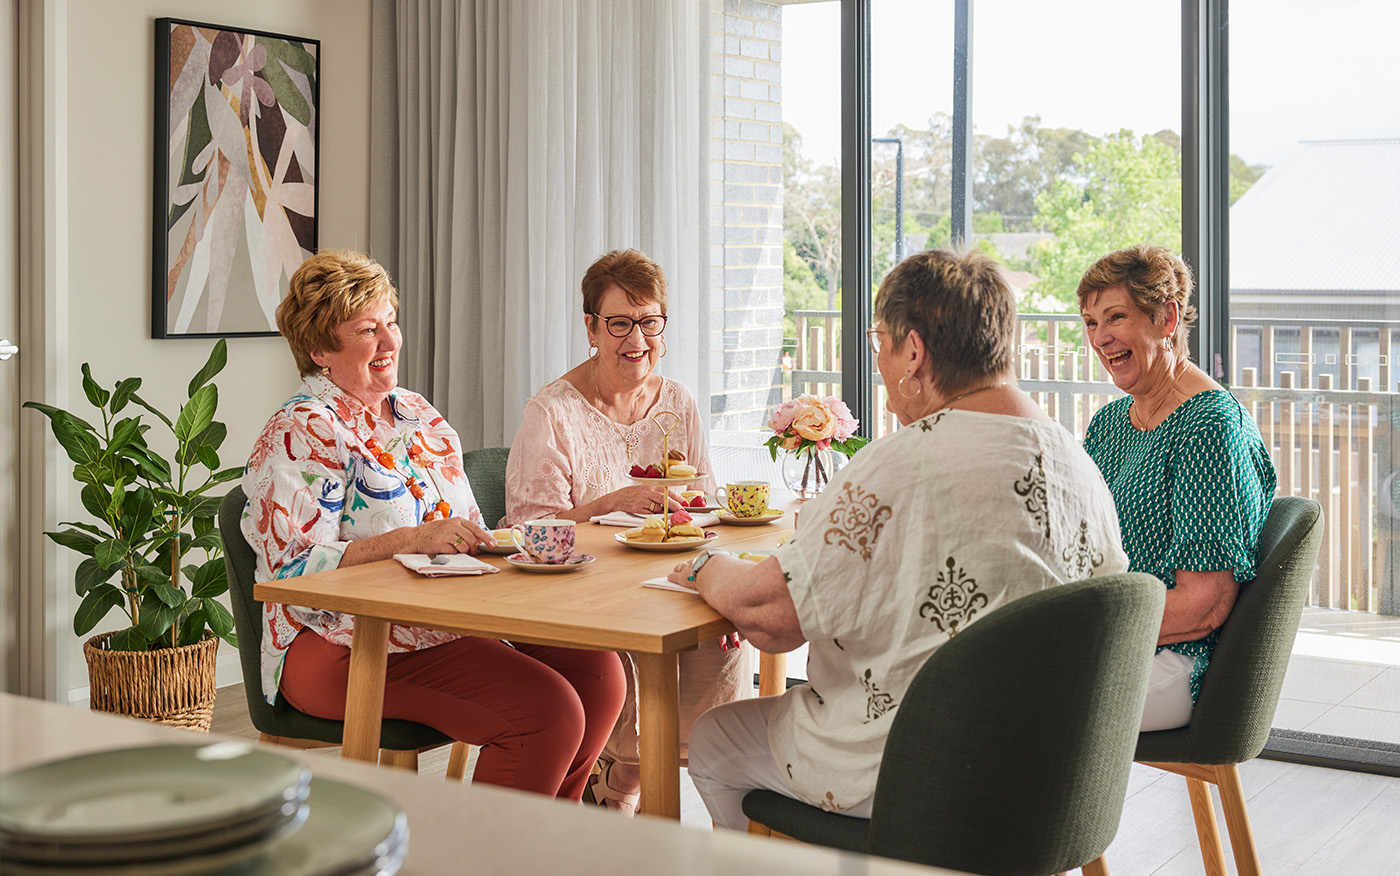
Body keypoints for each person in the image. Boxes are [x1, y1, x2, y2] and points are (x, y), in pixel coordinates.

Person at [671, 248, 1129, 830]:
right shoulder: (1077, 462)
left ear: (914, 352)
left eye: (879, 343)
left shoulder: (899, 463)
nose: (880, 364)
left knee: (715, 737)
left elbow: (769, 619)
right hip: (1058, 772)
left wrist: (702, 564)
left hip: (924, 771)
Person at [242, 251, 625, 800]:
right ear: (320, 350)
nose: (389, 342)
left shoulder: (417, 414)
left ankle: (537, 848)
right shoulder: (303, 429)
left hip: (444, 622)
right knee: (548, 712)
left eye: (391, 322)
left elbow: (469, 529)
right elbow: (292, 570)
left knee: (599, 675)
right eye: (366, 330)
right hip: (340, 644)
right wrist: (410, 540)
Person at [506, 249, 746, 815]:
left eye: (649, 322)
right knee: (643, 641)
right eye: (619, 323)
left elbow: (705, 504)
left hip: (665, 577)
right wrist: (608, 503)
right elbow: (528, 532)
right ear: (591, 327)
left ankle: (629, 776)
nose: (636, 339)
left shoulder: (678, 402)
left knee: (722, 637)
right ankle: (624, 777)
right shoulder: (552, 413)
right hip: (582, 591)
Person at [1079, 244, 1277, 732]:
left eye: (1115, 316)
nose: (1100, 338)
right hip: (1116, 637)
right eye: (1089, 323)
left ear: (1166, 319)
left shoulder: (1210, 427)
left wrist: (1077, 632)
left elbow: (1204, 604)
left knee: (1004, 700)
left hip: (1176, 662)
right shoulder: (1109, 424)